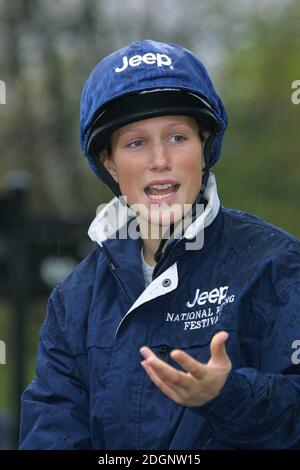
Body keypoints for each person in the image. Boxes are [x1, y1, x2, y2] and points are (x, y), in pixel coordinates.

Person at [19, 39, 300, 450]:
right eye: (136, 142)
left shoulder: (278, 264)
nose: (159, 160)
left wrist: (228, 397)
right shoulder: (73, 301)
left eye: (177, 138)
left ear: (205, 148)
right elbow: (50, 430)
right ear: (109, 162)